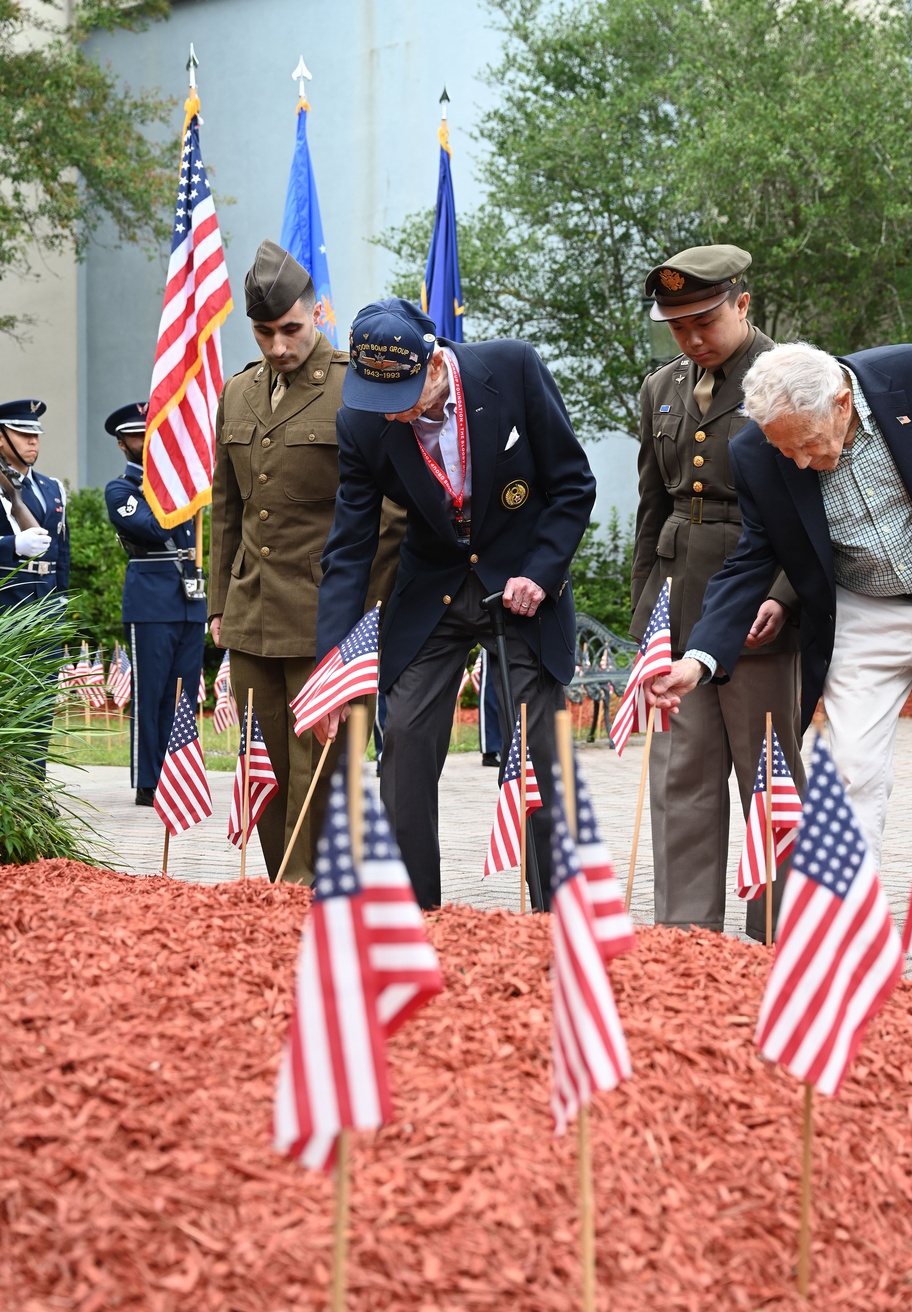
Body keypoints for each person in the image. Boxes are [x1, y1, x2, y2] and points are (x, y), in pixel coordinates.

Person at [650, 339, 912, 860]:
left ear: (841, 403)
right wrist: (699, 660)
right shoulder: (754, 453)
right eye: (785, 450)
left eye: (807, 443)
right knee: (850, 773)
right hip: (860, 610)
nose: (800, 460)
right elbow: (751, 560)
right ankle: (852, 924)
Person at [314, 297, 597, 910]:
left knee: (538, 750)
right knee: (405, 742)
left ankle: (556, 911)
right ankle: (412, 912)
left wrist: (542, 573)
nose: (391, 417)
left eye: (403, 399)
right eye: (379, 403)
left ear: (436, 364)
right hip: (431, 591)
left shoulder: (514, 368)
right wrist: (333, 667)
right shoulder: (361, 423)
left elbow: (573, 484)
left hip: (523, 587)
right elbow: (349, 548)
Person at [209, 240, 402, 884]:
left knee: (318, 768)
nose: (279, 346)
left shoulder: (357, 389)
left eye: (290, 329)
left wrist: (363, 619)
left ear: (318, 313)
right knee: (264, 764)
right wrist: (218, 607)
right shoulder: (237, 394)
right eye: (264, 333)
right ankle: (281, 890)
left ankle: (311, 897)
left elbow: (392, 517)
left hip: (328, 615)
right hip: (253, 614)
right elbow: (228, 512)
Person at [631, 246, 803, 937]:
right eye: (677, 326)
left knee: (768, 780)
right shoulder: (662, 388)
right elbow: (653, 507)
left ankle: (774, 943)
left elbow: (816, 505)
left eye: (704, 320)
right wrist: (647, 610)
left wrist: (786, 596)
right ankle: (685, 945)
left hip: (760, 605)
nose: (692, 337)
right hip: (679, 608)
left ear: (742, 303)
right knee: (682, 786)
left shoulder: (790, 379)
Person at [104, 402, 205, 806]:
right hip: (151, 597)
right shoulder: (121, 489)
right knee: (151, 692)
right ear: (122, 444)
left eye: (152, 435)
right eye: (136, 437)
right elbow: (147, 524)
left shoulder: (182, 485)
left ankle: (179, 775)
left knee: (185, 692)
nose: (145, 443)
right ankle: (149, 781)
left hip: (189, 597)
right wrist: (182, 488)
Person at [0, 399, 70, 612]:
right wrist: (12, 545)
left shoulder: (52, 487)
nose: (33, 442)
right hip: (7, 602)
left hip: (48, 602)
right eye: (23, 434)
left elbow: (62, 551)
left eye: (36, 435)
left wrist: (61, 599)